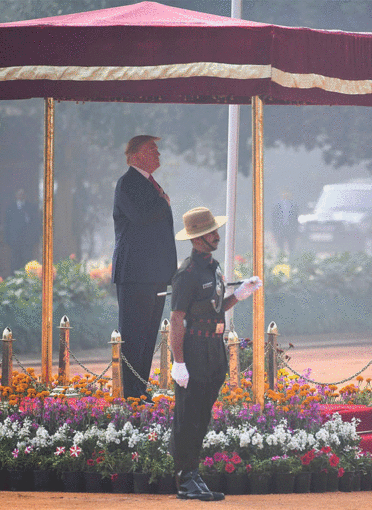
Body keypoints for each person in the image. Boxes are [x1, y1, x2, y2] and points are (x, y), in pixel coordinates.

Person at [168, 206, 262, 501]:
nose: (217, 236)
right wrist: (179, 362)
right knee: (188, 415)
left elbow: (216, 308)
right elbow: (176, 320)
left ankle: (193, 475)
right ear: (197, 239)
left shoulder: (213, 267)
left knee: (203, 414)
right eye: (211, 233)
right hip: (194, 350)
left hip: (214, 349)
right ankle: (185, 479)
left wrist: (241, 294)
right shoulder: (187, 274)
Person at [111, 135, 177, 401]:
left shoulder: (148, 183)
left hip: (154, 273)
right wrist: (163, 201)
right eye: (153, 149)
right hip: (135, 273)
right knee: (134, 335)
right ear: (137, 156)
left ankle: (139, 389)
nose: (158, 154)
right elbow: (141, 217)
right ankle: (130, 391)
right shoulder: (127, 183)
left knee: (148, 336)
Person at [4, 188, 41, 274]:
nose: (21, 196)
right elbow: (7, 225)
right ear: (15, 195)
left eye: (22, 194)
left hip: (27, 242)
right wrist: (7, 239)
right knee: (14, 262)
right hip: (14, 241)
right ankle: (14, 282)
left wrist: (35, 239)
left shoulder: (31, 207)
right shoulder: (10, 208)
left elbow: (35, 224)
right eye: (19, 194)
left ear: (25, 195)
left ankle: (26, 282)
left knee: (27, 262)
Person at [271, 191, 299, 255]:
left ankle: (291, 259)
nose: (286, 195)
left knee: (291, 246)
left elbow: (296, 218)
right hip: (280, 229)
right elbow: (274, 218)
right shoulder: (277, 205)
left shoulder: (294, 205)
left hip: (291, 229)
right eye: (284, 193)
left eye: (287, 193)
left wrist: (296, 230)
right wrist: (274, 230)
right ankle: (281, 259)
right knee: (280, 245)